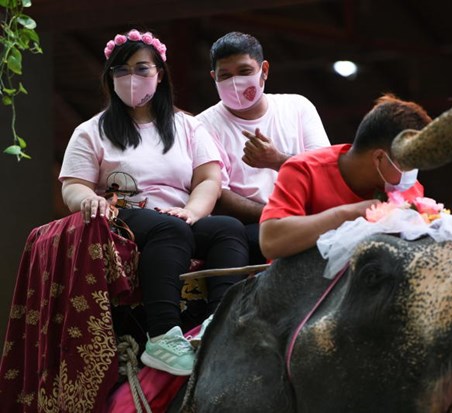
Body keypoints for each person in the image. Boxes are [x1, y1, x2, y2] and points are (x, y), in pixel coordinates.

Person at [59, 29, 249, 376]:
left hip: (179, 214)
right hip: (123, 217)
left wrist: (192, 211)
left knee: (228, 228)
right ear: (110, 78)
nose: (132, 78)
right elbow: (73, 185)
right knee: (168, 229)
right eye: (121, 70)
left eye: (142, 69)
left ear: (159, 75)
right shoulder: (92, 131)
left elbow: (209, 180)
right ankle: (162, 335)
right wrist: (88, 200)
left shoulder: (188, 127)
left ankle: (218, 322)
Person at [195, 31, 330, 264]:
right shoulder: (201, 126)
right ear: (213, 77)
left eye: (244, 72)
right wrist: (276, 215)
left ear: (264, 70)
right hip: (251, 226)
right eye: (225, 76)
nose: (235, 83)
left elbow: (326, 170)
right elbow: (219, 195)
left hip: (309, 217)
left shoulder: (298, 107)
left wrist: (277, 160)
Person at [259, 94, 432, 260]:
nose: (413, 172)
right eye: (409, 163)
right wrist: (349, 214)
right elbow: (271, 241)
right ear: (379, 157)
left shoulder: (408, 189)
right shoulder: (304, 169)